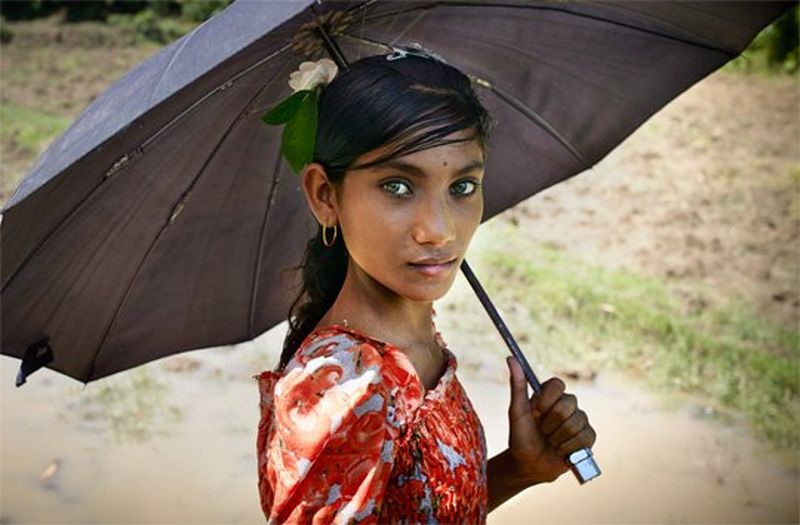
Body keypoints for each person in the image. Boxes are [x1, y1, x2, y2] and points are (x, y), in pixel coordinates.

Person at [254, 47, 596, 523]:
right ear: (325, 195)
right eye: (398, 186)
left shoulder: (408, 344)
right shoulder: (344, 388)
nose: (439, 230)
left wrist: (519, 469)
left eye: (462, 187)